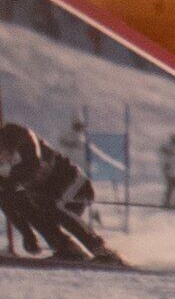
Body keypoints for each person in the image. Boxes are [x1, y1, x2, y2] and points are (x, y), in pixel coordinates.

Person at [0, 100, 119, 265]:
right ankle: (65, 247)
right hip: (46, 196)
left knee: (49, 203)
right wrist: (27, 235)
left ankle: (101, 249)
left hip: (76, 187)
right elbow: (6, 199)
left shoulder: (20, 135)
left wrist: (10, 179)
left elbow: (32, 165)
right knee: (27, 200)